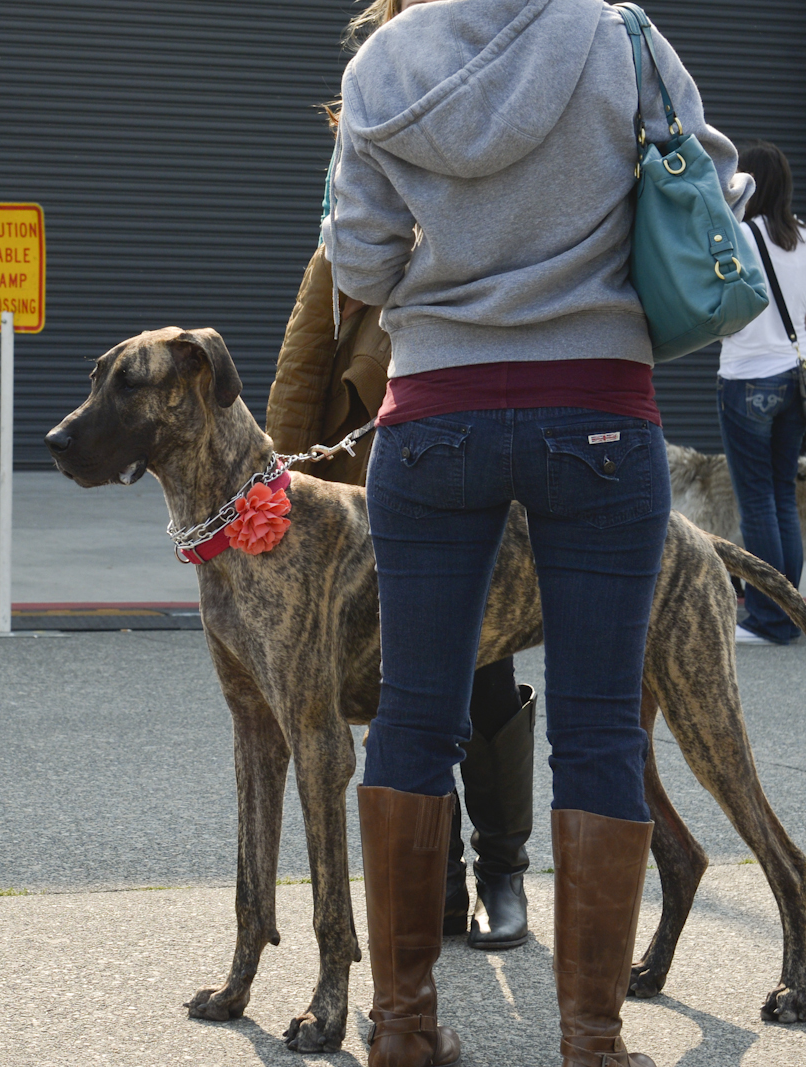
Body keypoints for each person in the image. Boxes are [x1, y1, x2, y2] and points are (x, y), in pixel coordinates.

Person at [322, 1, 752, 1065]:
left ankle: (405, 1026)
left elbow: (359, 265)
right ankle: (591, 1042)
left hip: (432, 418)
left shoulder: (385, 59)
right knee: (600, 730)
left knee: (413, 723)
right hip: (600, 405)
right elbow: (712, 187)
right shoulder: (623, 40)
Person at [267, 169, 537, 956]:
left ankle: (503, 873)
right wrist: (286, 491)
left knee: (486, 668)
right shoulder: (350, 215)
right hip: (367, 501)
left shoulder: (486, 199)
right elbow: (301, 361)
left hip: (480, 470)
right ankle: (438, 878)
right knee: (403, 687)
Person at [720, 141, 806, 646]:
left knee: (757, 502)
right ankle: (789, 615)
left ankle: (766, 619)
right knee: (783, 495)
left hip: (747, 377)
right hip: (794, 378)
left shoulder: (739, 235)